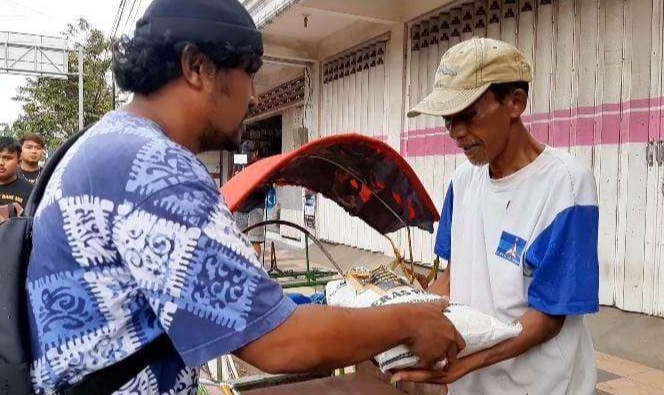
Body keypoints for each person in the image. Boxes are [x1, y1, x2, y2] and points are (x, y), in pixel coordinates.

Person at [25, 1, 465, 394]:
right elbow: (278, 343)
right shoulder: (154, 169)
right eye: (249, 75)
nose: (254, 97)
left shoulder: (100, 144)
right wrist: (409, 320)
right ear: (197, 67)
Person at [392, 37, 599, 394]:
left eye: (469, 114)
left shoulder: (565, 185)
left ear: (515, 102)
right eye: (448, 120)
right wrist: (409, 316)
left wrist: (464, 363)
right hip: (471, 386)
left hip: (541, 386)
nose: (456, 132)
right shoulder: (462, 182)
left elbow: (549, 317)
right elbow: (455, 275)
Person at [234, 148, 266, 256]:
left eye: (249, 154)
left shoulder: (261, 165)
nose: (247, 157)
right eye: (245, 154)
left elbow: (266, 187)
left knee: (254, 239)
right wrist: (238, 177)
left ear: (255, 153)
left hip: (256, 206)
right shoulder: (239, 163)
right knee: (240, 238)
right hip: (241, 206)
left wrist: (252, 182)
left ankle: (255, 267)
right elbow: (232, 183)